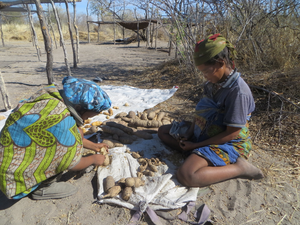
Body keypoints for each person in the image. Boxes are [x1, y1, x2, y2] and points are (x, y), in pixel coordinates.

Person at [158, 34, 264, 188]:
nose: (205, 77)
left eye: (206, 72)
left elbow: (232, 133)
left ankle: (239, 168)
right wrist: (189, 133)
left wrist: (194, 146)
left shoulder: (238, 92)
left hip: (228, 142)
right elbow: (202, 111)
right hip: (205, 131)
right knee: (163, 132)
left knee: (187, 175)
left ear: (220, 63)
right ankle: (198, 156)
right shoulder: (213, 83)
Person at [0, 76, 111, 200]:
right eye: (92, 114)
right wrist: (93, 159)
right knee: (64, 153)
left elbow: (74, 133)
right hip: (13, 180)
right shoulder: (61, 124)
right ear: (80, 108)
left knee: (77, 131)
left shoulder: (50, 98)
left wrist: (94, 146)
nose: (90, 119)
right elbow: (72, 164)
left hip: (8, 153)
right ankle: (43, 187)